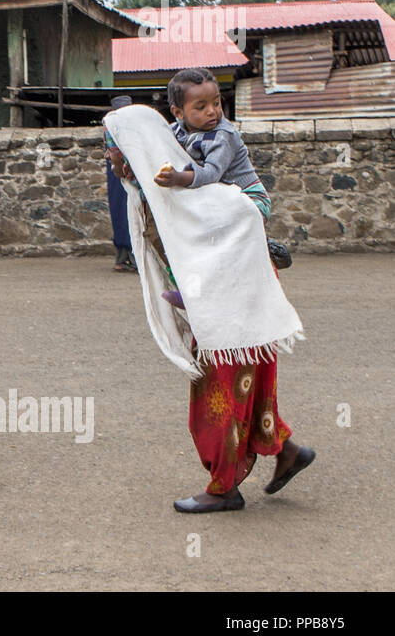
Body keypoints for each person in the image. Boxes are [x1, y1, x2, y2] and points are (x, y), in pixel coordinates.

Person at [104, 102, 314, 514]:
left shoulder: (194, 186)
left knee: (216, 397)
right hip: (241, 304)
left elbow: (240, 215)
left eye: (112, 148)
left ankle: (224, 488)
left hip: (235, 307)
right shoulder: (157, 188)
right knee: (247, 389)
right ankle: (286, 451)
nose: (107, 156)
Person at [150, 67, 290, 307]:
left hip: (249, 198)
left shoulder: (222, 136)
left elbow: (211, 173)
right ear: (178, 113)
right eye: (201, 107)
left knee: (215, 243)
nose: (212, 111)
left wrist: (177, 178)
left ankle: (260, 250)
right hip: (219, 200)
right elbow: (159, 142)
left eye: (216, 103)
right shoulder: (176, 131)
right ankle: (189, 285)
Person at [106, 96, 136, 273]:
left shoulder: (112, 127)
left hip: (122, 175)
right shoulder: (113, 128)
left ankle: (124, 257)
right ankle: (129, 257)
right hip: (122, 175)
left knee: (124, 213)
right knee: (123, 213)